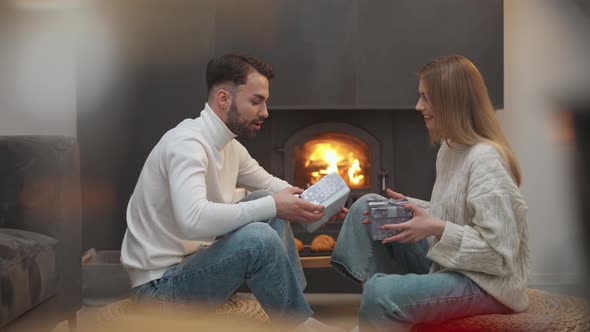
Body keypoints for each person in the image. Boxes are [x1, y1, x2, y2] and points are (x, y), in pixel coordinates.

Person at [121, 53, 345, 331]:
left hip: (194, 267)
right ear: (224, 99)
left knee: (264, 201)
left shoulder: (230, 147)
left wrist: (320, 204)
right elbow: (191, 221)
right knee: (259, 234)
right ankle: (297, 324)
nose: (265, 112)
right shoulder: (186, 144)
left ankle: (293, 312)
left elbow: (273, 188)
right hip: (158, 290)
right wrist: (274, 205)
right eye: (256, 101)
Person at [330, 55, 529, 331]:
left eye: (426, 98)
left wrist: (436, 228)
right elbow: (456, 213)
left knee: (380, 293)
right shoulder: (450, 149)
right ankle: (390, 310)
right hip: (452, 265)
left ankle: (386, 301)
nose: (418, 106)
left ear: (451, 102)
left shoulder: (486, 159)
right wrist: (410, 206)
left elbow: (499, 255)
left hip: (488, 285)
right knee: (367, 206)